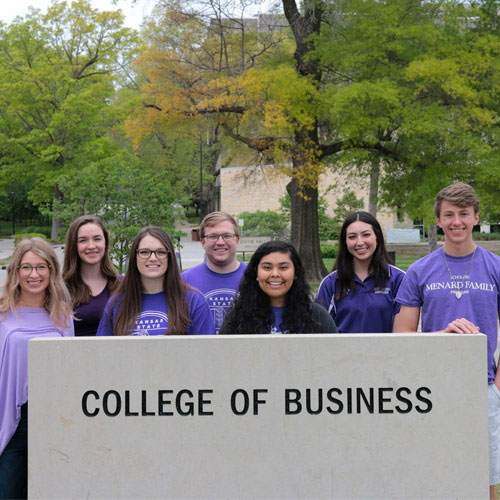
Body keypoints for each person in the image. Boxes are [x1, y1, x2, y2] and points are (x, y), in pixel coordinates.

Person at [393, 182, 500, 499]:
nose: (457, 222)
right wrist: (443, 334)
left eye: (464, 214)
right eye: (449, 214)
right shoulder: (419, 270)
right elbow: (401, 335)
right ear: (437, 220)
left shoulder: (495, 267)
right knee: (433, 475)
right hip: (430, 388)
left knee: (485, 480)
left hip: (482, 386)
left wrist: (498, 387)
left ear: (476, 218)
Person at [0, 238, 74, 499]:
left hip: (54, 420)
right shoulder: (2, 313)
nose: (34, 274)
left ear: (52, 271)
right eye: (27, 267)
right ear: (16, 271)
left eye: (41, 267)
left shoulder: (63, 314)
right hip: (11, 420)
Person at [97, 226, 215, 336]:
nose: (153, 258)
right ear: (134, 257)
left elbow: (207, 353)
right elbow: (102, 352)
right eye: (144, 252)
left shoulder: (193, 301)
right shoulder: (117, 303)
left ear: (169, 257)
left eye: (160, 252)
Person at [219, 240, 337, 334]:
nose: (275, 274)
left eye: (283, 268)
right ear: (256, 273)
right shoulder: (237, 317)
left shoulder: (317, 316)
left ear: (295, 273)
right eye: (267, 268)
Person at [316, 211, 405, 333]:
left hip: (386, 351)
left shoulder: (399, 279)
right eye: (352, 237)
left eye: (366, 235)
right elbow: (320, 331)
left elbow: (403, 332)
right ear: (345, 242)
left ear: (377, 238)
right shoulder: (330, 283)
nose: (359, 242)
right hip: (342, 351)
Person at [182, 212, 247, 333]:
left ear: (237, 240)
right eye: (213, 237)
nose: (220, 242)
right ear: (202, 242)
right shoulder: (184, 281)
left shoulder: (256, 277)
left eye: (227, 236)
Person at [63, 215, 120, 336]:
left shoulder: (123, 285)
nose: (91, 246)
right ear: (74, 246)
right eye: (83, 240)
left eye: (97, 239)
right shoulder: (61, 288)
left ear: (105, 242)